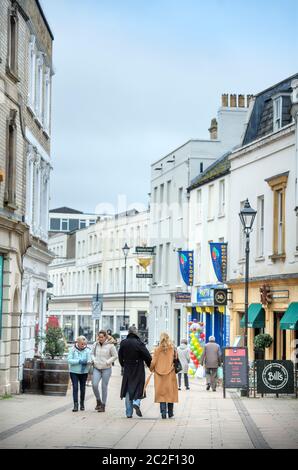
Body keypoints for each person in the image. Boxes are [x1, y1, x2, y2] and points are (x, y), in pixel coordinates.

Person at [118, 325, 152, 418]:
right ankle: (136, 402)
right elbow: (147, 356)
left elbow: (120, 356)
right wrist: (150, 365)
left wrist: (123, 365)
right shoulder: (139, 343)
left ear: (129, 333)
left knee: (128, 389)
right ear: (136, 332)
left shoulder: (123, 342)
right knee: (139, 386)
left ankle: (129, 413)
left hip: (127, 367)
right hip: (138, 367)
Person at [150, 332, 179, 419]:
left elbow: (153, 362)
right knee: (170, 393)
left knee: (161, 394)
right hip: (170, 373)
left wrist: (151, 369)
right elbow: (176, 359)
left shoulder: (157, 349)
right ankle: (170, 413)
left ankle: (163, 413)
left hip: (159, 375)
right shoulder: (172, 349)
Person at [91, 330, 118, 412]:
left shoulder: (110, 345)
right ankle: (98, 400)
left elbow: (115, 356)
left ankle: (103, 405)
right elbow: (92, 354)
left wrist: (108, 362)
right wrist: (94, 360)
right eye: (99, 337)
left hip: (106, 368)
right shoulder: (95, 344)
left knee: (104, 386)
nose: (100, 338)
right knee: (94, 384)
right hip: (97, 368)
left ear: (105, 337)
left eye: (102, 337)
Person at [67, 335, 92, 412]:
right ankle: (75, 405)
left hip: (84, 372)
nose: (83, 345)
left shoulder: (88, 350)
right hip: (74, 371)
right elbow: (69, 360)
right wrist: (79, 361)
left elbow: (89, 360)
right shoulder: (72, 349)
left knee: (82, 388)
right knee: (75, 387)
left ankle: (82, 404)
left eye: (84, 344)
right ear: (78, 342)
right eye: (82, 344)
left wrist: (88, 362)